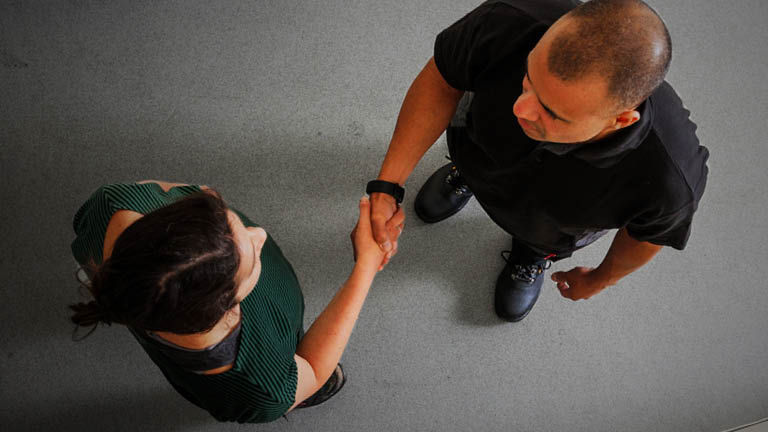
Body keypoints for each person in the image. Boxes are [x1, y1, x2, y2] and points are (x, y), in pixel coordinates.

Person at [363, 0, 709, 321]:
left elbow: (647, 237)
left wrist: (601, 279)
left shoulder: (671, 180)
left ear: (620, 120)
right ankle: (464, 174)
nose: (520, 108)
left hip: (551, 225)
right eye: (529, 79)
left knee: (543, 238)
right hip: (479, 148)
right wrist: (387, 187)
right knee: (473, 149)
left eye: (552, 112)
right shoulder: (509, 19)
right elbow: (442, 82)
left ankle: (531, 256)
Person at [69, 180, 402, 422]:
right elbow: (314, 370)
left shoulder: (117, 202)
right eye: (253, 260)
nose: (260, 235)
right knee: (298, 379)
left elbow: (196, 192)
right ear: (225, 306)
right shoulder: (258, 387)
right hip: (265, 359)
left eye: (228, 218)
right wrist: (365, 267)